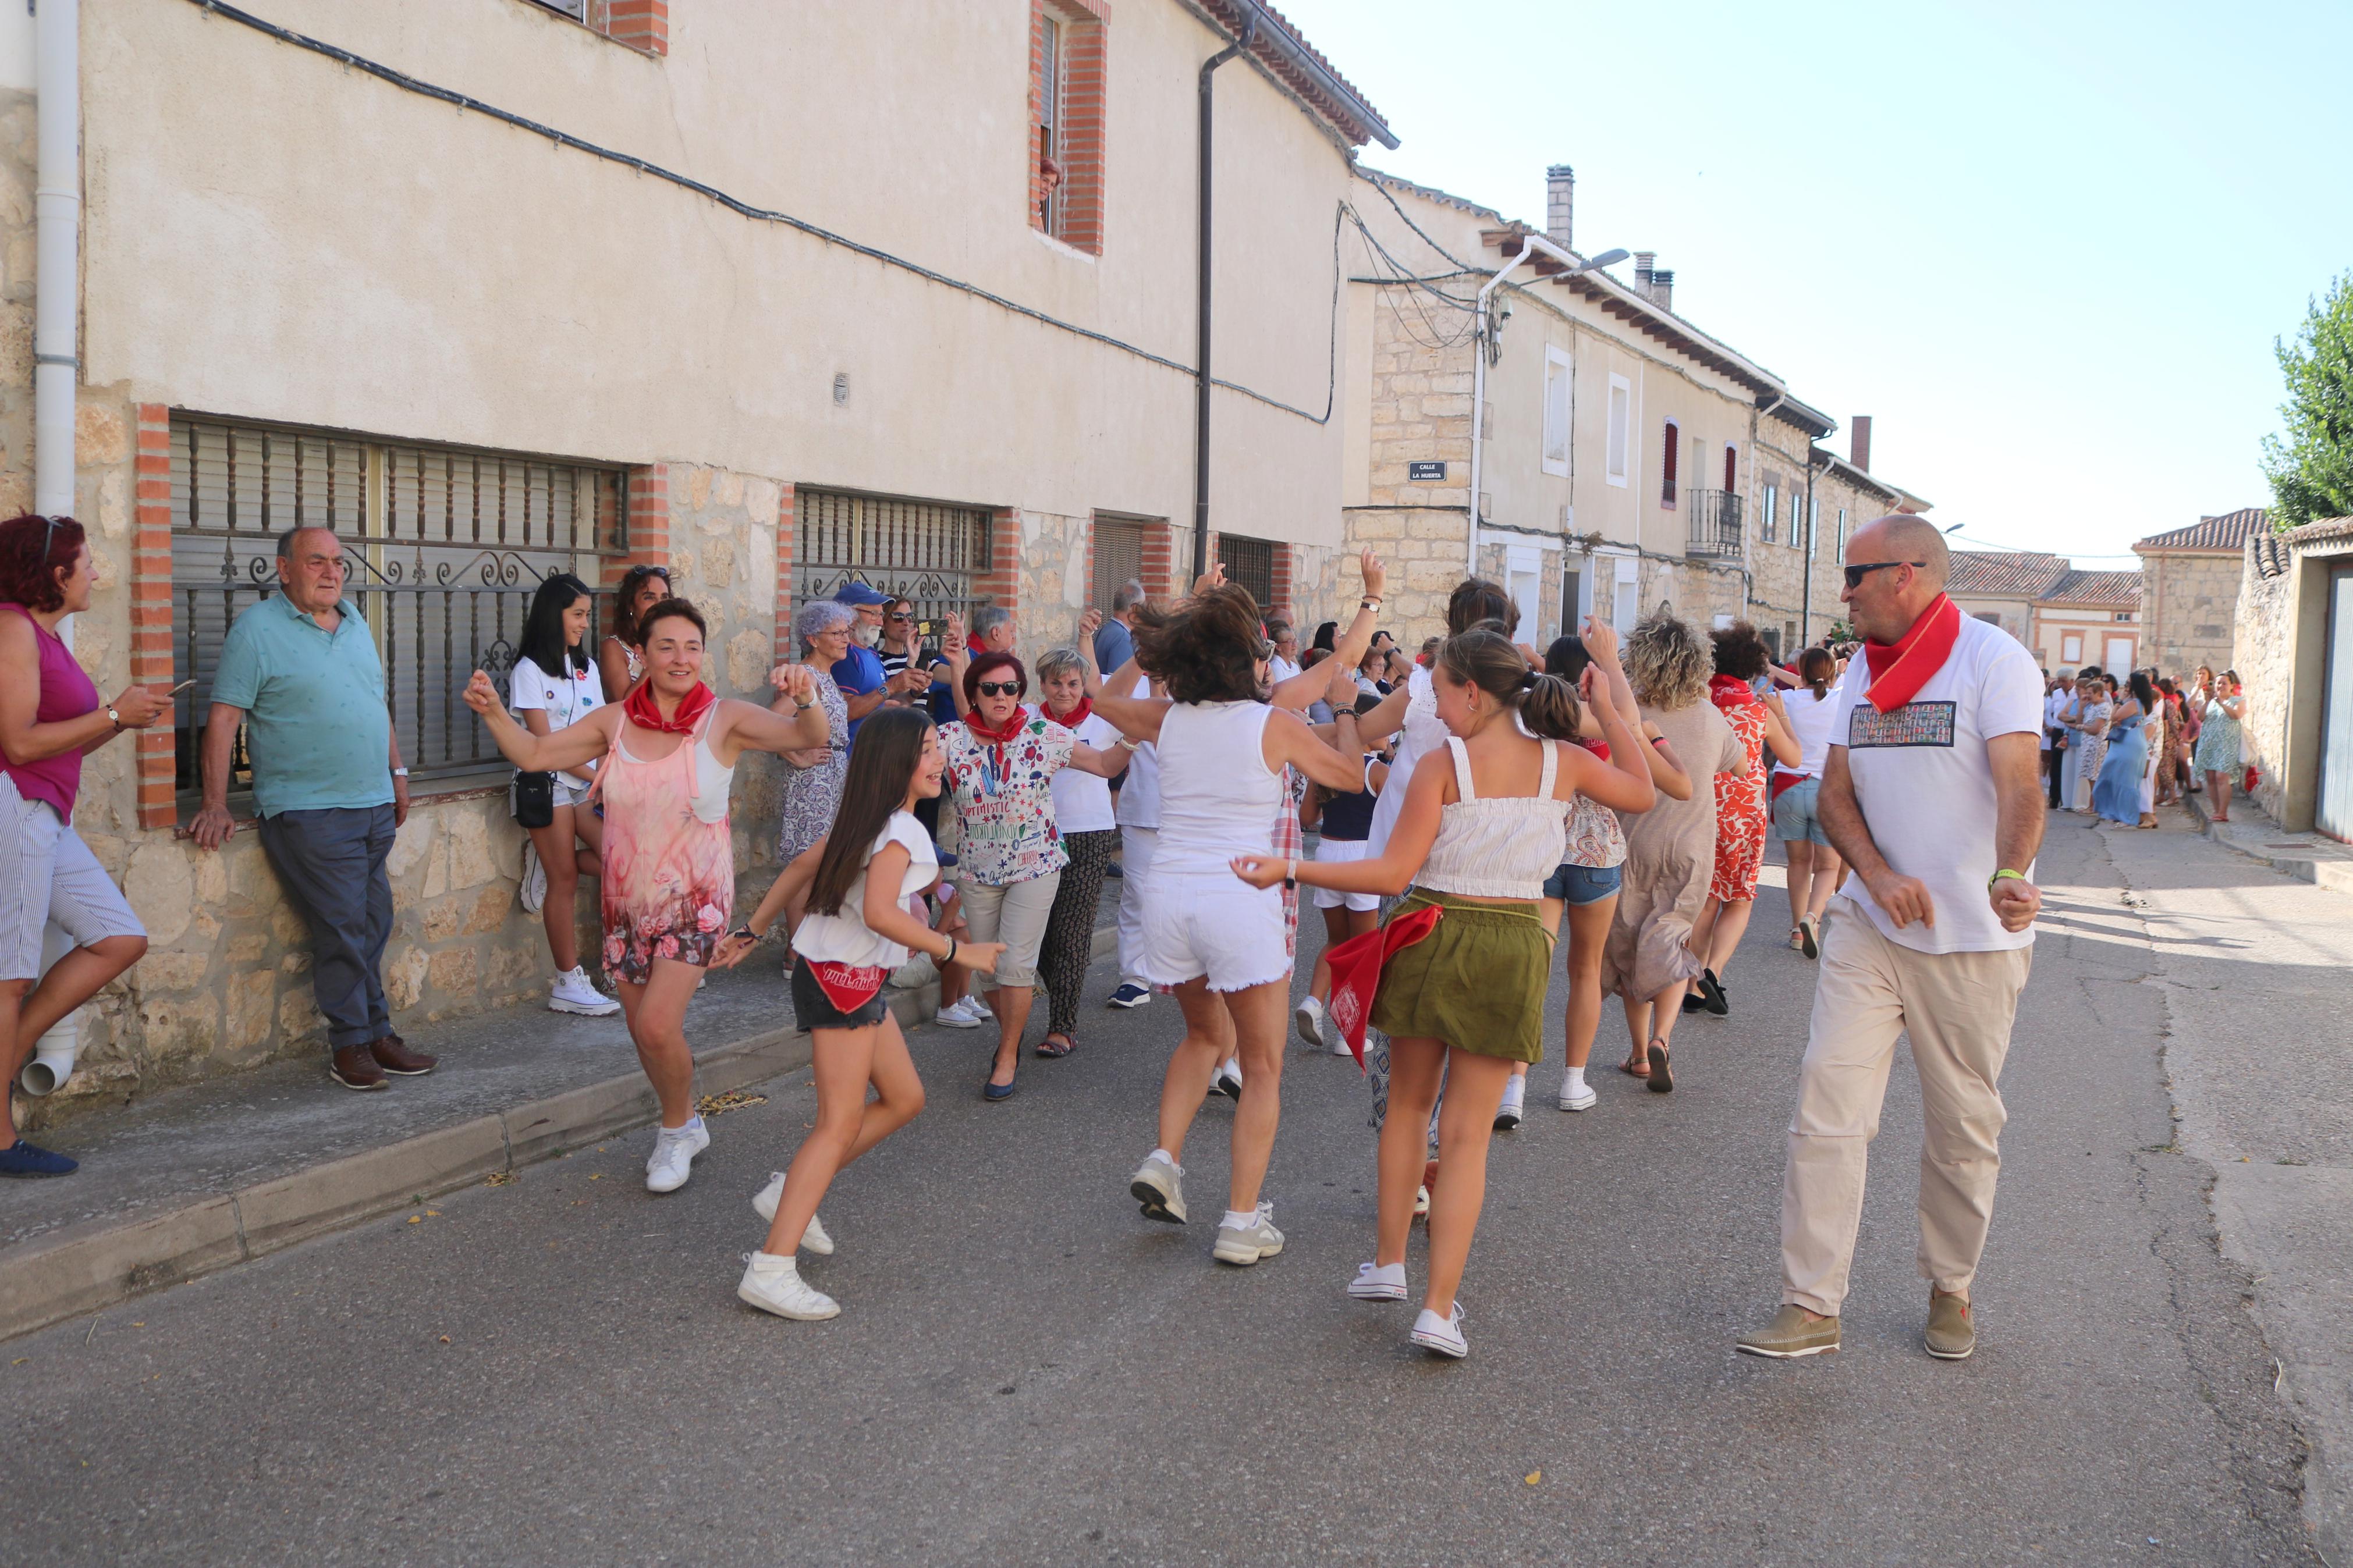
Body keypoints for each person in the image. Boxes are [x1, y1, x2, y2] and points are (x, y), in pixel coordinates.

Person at [1232, 627, 1653, 1356]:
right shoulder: (1565, 763)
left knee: (1407, 1108)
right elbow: (1643, 790)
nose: (1428, 697)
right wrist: (1610, 698)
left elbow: (1390, 875)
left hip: (1429, 931)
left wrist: (1291, 870)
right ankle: (1437, 1306)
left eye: (1438, 686)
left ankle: (1389, 1263)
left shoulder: (1440, 764)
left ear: (1471, 693)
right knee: (1465, 1137)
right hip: (1514, 943)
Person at [1737, 515, 2045, 1363]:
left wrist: (2008, 873)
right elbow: (1833, 792)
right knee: (1824, 1105)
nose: (1842, 593)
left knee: (1960, 1127)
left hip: (1972, 942)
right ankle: (1810, 1302)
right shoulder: (1856, 679)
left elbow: (2021, 782)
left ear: (1904, 574)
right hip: (1869, 928)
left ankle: (1950, 1285)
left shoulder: (1992, 660)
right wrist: (1872, 876)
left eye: (1853, 574)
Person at [463, 599, 830, 1192]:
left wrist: (807, 693)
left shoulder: (724, 719)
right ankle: (684, 1121)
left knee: (658, 1027)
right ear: (644, 655)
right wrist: (494, 712)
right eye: (666, 646)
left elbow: (805, 735)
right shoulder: (614, 722)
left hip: (696, 899)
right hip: (626, 901)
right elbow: (535, 753)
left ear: (702, 655)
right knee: (642, 1031)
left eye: (691, 647)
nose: (680, 658)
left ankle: (675, 1128)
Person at [1092, 584, 1375, 1266]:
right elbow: (1345, 774)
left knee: (1199, 1035)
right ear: (1245, 663)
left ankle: (1165, 1157)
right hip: (1239, 895)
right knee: (1262, 1064)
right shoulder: (1272, 724)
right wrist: (1340, 712)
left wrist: (1148, 644)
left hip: (1169, 895)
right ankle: (1240, 1221)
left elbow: (1095, 703)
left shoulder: (1167, 718)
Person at [714, 708, 1006, 1321]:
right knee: (837, 1124)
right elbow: (880, 912)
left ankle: (788, 1191)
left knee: (904, 1098)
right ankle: (771, 1267)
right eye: (926, 749)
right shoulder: (900, 830)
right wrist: (959, 950)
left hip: (846, 978)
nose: (939, 758)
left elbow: (800, 867)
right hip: (840, 983)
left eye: (936, 748)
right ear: (895, 761)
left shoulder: (868, 820)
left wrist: (753, 928)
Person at [193, 525, 431, 1092]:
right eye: (316, 562)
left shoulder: (354, 623)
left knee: (373, 922)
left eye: (338, 563)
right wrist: (214, 802)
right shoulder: (256, 631)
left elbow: (376, 703)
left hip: (372, 803)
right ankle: (350, 1044)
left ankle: (377, 1032)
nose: (331, 573)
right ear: (284, 569)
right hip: (309, 809)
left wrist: (397, 774)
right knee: (343, 928)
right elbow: (224, 718)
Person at [0, 515, 163, 1175]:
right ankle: (1, 1142)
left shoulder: (44, 635)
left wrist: (122, 723)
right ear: (55, 574)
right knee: (9, 978)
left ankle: (9, 1059)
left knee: (119, 936)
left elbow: (64, 735)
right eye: (86, 562)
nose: (97, 573)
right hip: (17, 807)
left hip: (48, 815)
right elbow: (19, 744)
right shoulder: (12, 628)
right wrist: (115, 714)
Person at [938, 627, 1123, 1099]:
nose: (1001, 696)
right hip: (978, 870)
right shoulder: (951, 738)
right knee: (987, 968)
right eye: (990, 688)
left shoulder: (1043, 734)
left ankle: (1005, 1055)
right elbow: (905, 769)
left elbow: (1103, 765)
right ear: (974, 694)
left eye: (1010, 688)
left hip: (1035, 865)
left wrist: (1140, 738)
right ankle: (1013, 1035)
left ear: (1021, 693)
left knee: (1016, 964)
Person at [1523, 629, 1688, 1122]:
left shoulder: (1535, 715)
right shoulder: (1607, 722)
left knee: (1532, 970)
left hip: (1541, 851)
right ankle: (1573, 1082)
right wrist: (1611, 664)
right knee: (1585, 972)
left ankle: (1512, 1085)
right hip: (1596, 856)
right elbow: (1675, 781)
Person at [1602, 609, 1748, 1092]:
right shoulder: (1710, 716)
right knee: (1671, 944)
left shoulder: (1630, 710)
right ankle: (1663, 1039)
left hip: (1633, 840)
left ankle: (1639, 1054)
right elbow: (1742, 767)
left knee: (1629, 951)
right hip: (1691, 845)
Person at [507, 573, 619, 1017]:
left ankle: (549, 854)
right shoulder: (528, 671)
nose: (583, 624)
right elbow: (543, 744)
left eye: (587, 616)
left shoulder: (587, 667)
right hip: (546, 783)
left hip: (584, 784)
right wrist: (598, 778)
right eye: (577, 615)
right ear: (553, 615)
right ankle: (568, 981)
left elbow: (598, 730)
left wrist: (603, 774)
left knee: (620, 857)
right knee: (565, 882)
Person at [1683, 624, 1800, 1019]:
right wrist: (1782, 718)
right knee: (1739, 899)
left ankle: (1690, 983)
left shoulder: (1695, 702)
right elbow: (1794, 758)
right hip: (1743, 813)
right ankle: (1712, 972)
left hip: (1700, 808)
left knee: (1706, 899)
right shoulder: (1757, 710)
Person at [1031, 639, 1124, 1059]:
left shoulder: (1103, 720)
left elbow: (1130, 745)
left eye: (1072, 683)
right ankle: (1065, 987)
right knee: (1040, 937)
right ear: (1043, 684)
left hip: (1089, 832)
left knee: (1071, 931)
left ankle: (1061, 1027)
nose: (1064, 691)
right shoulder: (1028, 720)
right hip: (1036, 835)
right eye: (1056, 683)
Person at [1292, 693, 1389, 1053]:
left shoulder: (1327, 766)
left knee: (1337, 940)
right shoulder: (1377, 771)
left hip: (1328, 855)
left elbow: (1306, 820)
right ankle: (1351, 1035)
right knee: (1364, 950)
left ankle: (1313, 1002)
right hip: (1364, 858)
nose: (1389, 732)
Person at [771, 600, 859, 955]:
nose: (846, 639)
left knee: (823, 866)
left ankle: (813, 948)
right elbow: (772, 723)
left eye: (847, 631)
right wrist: (797, 756)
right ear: (813, 638)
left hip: (833, 779)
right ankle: (796, 953)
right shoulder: (805, 677)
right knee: (805, 868)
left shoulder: (824, 676)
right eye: (837, 633)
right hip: (814, 784)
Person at [1773, 646, 1848, 957]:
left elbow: (1797, 685)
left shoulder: (1785, 700)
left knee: (1799, 863)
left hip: (1788, 786)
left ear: (1799, 672)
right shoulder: (1840, 698)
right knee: (1829, 865)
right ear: (1831, 674)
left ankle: (1796, 931)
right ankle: (1813, 917)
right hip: (1825, 789)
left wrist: (1773, 670)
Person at [1104, 659, 1162, 1013]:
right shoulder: (1133, 684)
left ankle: (1203, 971)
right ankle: (1134, 978)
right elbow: (1098, 690)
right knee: (1137, 895)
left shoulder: (1204, 683)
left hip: (1196, 815)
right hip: (1143, 808)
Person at [2092, 670, 2159, 829]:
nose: (2126, 686)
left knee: (2125, 781)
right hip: (2129, 741)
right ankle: (2119, 813)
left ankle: (2127, 817)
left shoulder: (2133, 703)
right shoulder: (2139, 703)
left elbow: (2114, 717)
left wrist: (2119, 701)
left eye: (2128, 684)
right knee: (2117, 777)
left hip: (2129, 743)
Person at [597, 563, 672, 704]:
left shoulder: (673, 644)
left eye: (664, 597)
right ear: (631, 605)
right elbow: (624, 704)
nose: (659, 604)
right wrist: (654, 656)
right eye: (649, 597)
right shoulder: (614, 647)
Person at [2194, 669, 2245, 823]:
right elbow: (2200, 717)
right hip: (2209, 743)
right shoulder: (2211, 701)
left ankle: (2223, 812)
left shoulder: (2237, 700)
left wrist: (2222, 702)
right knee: (2210, 778)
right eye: (2218, 683)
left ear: (2232, 685)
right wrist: (2209, 701)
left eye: (2224, 683)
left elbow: (2236, 715)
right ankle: (2217, 812)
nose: (2220, 686)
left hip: (2227, 744)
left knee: (2222, 777)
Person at [1095, 581, 1143, 677]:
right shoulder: (1123, 638)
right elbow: (1118, 686)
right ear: (1135, 609)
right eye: (1142, 605)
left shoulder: (1106, 629)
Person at [1266, 620, 1303, 686]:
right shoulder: (1276, 667)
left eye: (1295, 640)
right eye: (1290, 641)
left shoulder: (1295, 667)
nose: (1295, 644)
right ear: (1278, 647)